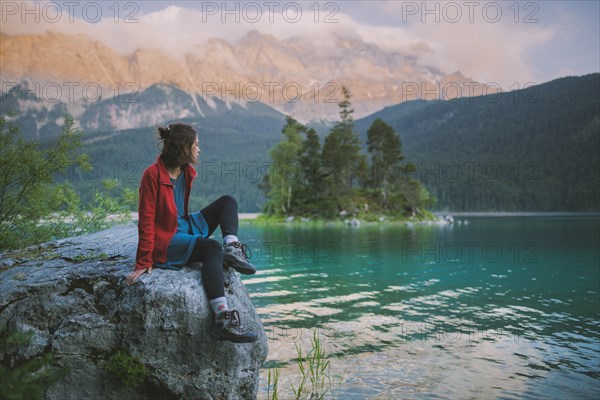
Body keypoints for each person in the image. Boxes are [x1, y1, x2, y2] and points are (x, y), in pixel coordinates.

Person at [126, 122, 258, 343]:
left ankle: (233, 249)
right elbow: (146, 221)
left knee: (228, 202)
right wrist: (143, 261)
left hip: (184, 225)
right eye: (196, 145)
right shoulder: (152, 175)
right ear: (184, 147)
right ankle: (223, 318)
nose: (199, 149)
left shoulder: (185, 171)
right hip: (166, 240)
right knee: (211, 247)